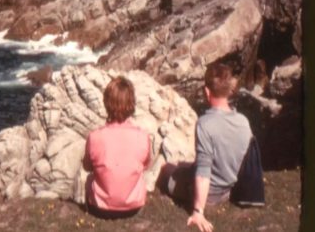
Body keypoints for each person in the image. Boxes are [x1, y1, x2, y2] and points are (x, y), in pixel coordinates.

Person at [163, 63, 252, 232]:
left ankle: (192, 197)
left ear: (207, 91)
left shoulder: (205, 124)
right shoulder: (244, 122)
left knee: (167, 169)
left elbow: (204, 172)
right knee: (183, 165)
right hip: (228, 189)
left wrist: (198, 211)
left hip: (209, 195)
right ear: (229, 91)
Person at [83, 76, 150, 219]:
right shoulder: (143, 136)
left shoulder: (94, 137)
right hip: (134, 207)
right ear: (132, 104)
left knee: (88, 177)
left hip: (99, 209)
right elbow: (145, 165)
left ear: (107, 104)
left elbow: (87, 167)